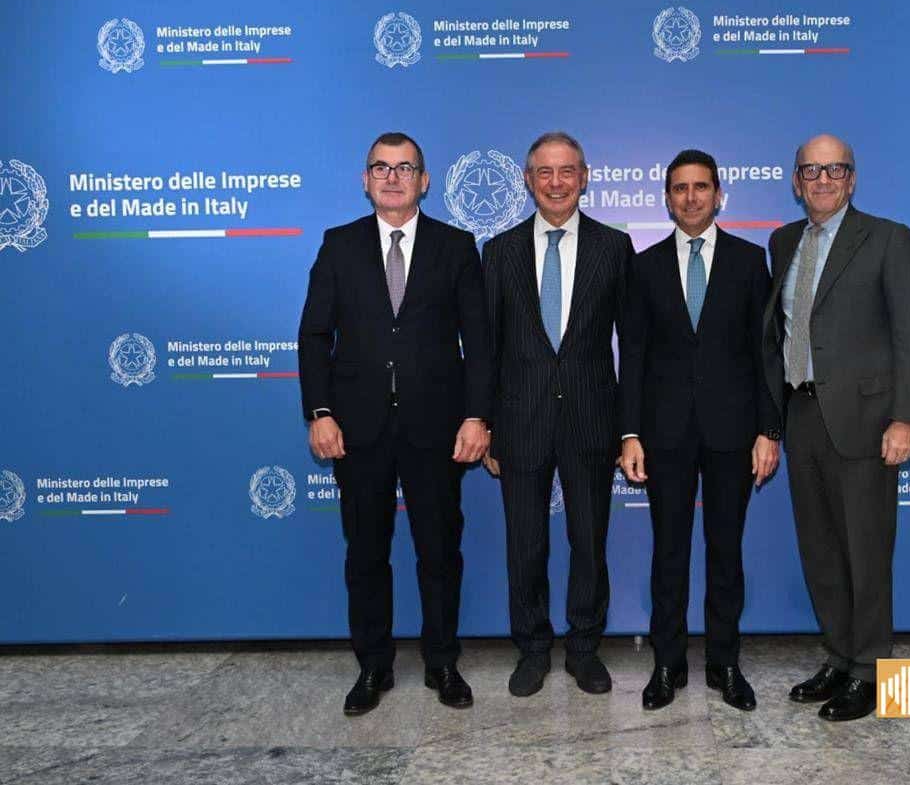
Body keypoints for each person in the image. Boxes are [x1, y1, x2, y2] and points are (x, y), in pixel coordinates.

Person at [298, 132, 491, 715]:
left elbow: (480, 341)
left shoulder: (456, 246)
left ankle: (442, 662)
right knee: (365, 554)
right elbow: (314, 335)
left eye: (404, 167)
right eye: (380, 167)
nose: (391, 177)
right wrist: (320, 412)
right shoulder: (339, 245)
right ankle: (373, 666)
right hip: (357, 430)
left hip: (437, 429)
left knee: (440, 552)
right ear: (365, 180)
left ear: (423, 181)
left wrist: (477, 415)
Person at [763, 134, 910, 721]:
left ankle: (874, 672)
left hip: (866, 421)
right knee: (822, 550)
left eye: (835, 169)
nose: (823, 180)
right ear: (796, 181)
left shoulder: (889, 239)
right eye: (811, 170)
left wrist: (905, 419)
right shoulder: (783, 241)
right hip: (802, 414)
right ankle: (838, 656)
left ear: (852, 179)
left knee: (867, 551)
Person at [619, 149, 780, 712]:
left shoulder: (748, 261)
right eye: (680, 188)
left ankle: (724, 663)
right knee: (668, 551)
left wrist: (769, 429)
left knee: (725, 550)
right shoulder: (643, 266)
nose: (691, 197)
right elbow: (632, 356)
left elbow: (765, 354)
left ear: (719, 195)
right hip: (663, 434)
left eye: (701, 187)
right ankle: (667, 664)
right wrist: (629, 433)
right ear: (667, 198)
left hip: (733, 432)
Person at [481, 131, 634, 697]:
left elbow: (633, 346)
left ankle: (584, 648)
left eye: (567, 171)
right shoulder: (498, 251)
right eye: (544, 172)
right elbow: (486, 348)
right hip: (519, 421)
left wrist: (629, 427)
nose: (556, 182)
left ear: (584, 177)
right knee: (525, 544)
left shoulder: (613, 247)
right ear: (528, 180)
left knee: (589, 542)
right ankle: (532, 649)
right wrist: (487, 423)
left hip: (592, 419)